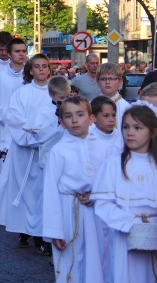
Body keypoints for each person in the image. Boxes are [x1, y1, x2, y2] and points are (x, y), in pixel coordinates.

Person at [0, 54, 57, 252]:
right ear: (30, 70)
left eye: (45, 66)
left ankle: (42, 234)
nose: (42, 70)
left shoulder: (56, 91)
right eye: (37, 66)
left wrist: (46, 135)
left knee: (43, 192)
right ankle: (24, 229)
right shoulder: (22, 92)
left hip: (48, 150)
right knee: (25, 190)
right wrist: (33, 135)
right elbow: (14, 118)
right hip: (25, 150)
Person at [91, 105, 157, 283]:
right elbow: (103, 203)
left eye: (137, 128)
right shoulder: (113, 163)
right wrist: (130, 224)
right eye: (125, 127)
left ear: (153, 132)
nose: (129, 132)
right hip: (124, 235)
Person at [42, 96, 112, 282]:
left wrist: (97, 195)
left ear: (91, 118)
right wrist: (54, 230)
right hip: (68, 211)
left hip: (98, 213)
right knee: (71, 260)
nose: (74, 120)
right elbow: (50, 191)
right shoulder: (59, 151)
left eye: (80, 115)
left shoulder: (105, 147)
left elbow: (111, 181)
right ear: (61, 122)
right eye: (68, 116)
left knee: (99, 259)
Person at [0, 38, 27, 207]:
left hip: (25, 129)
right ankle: (4, 204)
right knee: (1, 167)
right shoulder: (0, 78)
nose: (21, 54)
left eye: (23, 51)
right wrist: (5, 114)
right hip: (4, 126)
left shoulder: (30, 77)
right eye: (17, 51)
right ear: (9, 54)